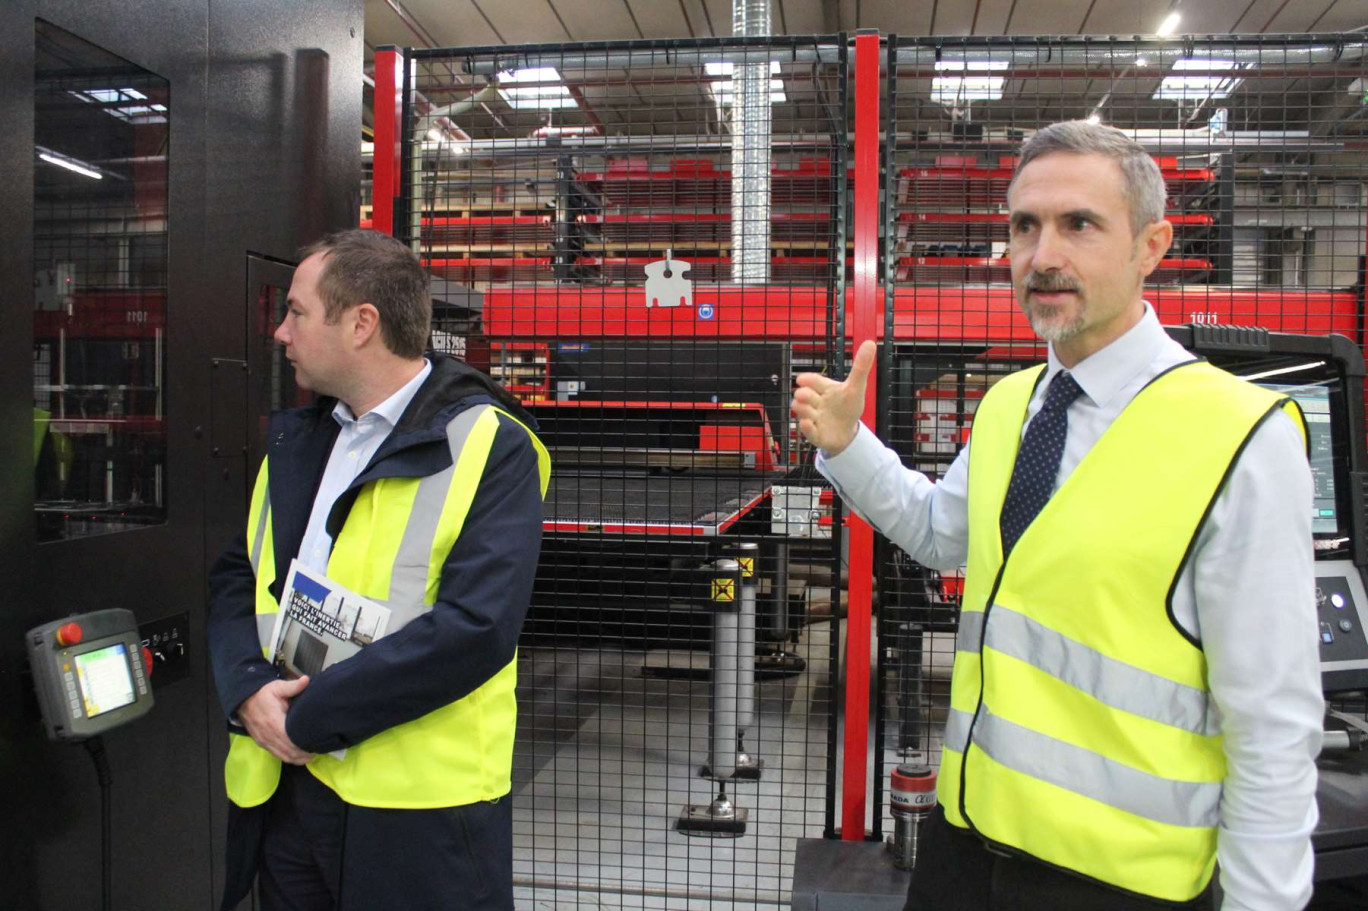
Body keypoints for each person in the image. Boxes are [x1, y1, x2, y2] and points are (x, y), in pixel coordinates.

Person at [792, 121, 1322, 910]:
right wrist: (849, 446)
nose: (1042, 256)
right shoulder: (1015, 403)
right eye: (1023, 227)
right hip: (968, 843)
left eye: (1079, 224)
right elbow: (943, 534)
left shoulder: (1241, 436)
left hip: (1117, 880)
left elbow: (1273, 725)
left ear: (1152, 245)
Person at [207, 228, 549, 911]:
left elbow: (474, 630)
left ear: (362, 323)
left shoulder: (491, 445)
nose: (281, 331)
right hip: (288, 794)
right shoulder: (300, 438)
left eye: (298, 311)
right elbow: (238, 576)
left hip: (414, 811)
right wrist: (248, 689)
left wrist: (303, 719)